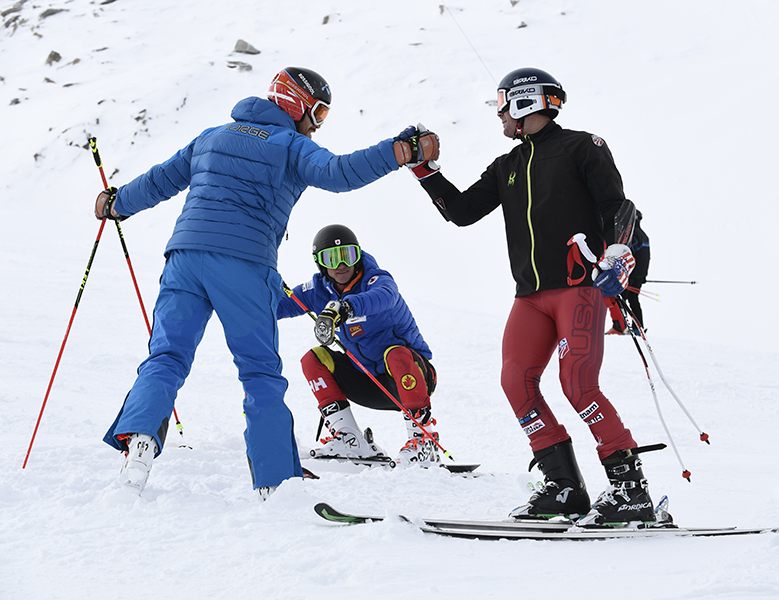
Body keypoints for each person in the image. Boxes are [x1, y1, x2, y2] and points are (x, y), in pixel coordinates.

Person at [94, 67, 439, 499]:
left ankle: (140, 444)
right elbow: (339, 173)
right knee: (259, 374)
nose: (317, 125)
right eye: (317, 113)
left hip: (184, 257)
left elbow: (159, 181)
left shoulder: (211, 136)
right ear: (294, 102)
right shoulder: (290, 145)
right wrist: (399, 150)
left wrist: (116, 202)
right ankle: (275, 479)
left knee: (165, 357)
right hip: (244, 263)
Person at [411, 67, 665, 527]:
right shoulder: (508, 165)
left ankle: (632, 493)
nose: (500, 116)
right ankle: (564, 487)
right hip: (529, 296)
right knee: (516, 382)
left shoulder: (583, 147)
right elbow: (464, 212)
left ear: (526, 103)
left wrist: (618, 254)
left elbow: (618, 207)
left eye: (503, 104)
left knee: (579, 387)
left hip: (578, 290)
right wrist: (424, 172)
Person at [278, 224, 440, 467]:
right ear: (321, 263)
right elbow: (280, 306)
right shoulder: (319, 290)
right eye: (331, 258)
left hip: (412, 377)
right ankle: (350, 439)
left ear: (358, 255)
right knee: (313, 359)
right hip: (369, 384)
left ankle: (423, 441)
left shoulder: (376, 280)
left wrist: (345, 307)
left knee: (395, 353)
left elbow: (386, 296)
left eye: (348, 255)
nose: (341, 265)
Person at [607, 209, 650, 335]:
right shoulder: (644, 235)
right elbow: (646, 257)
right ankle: (637, 328)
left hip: (631, 274)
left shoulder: (633, 235)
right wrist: (643, 275)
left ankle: (621, 327)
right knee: (633, 299)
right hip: (639, 275)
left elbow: (629, 255)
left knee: (621, 298)